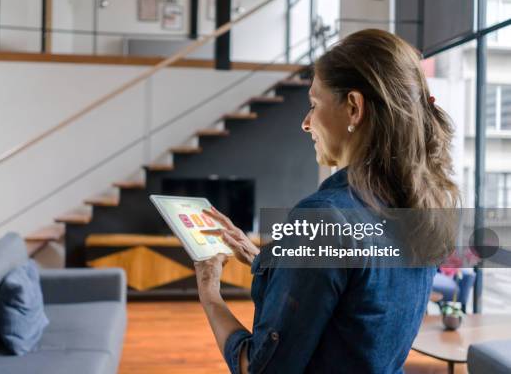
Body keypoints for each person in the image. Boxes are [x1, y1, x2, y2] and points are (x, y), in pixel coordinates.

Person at [195, 28, 460, 374]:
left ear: (353, 107)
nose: (306, 123)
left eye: (314, 104)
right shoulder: (422, 206)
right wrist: (265, 260)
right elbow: (354, 309)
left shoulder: (323, 219)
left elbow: (259, 368)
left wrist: (210, 294)